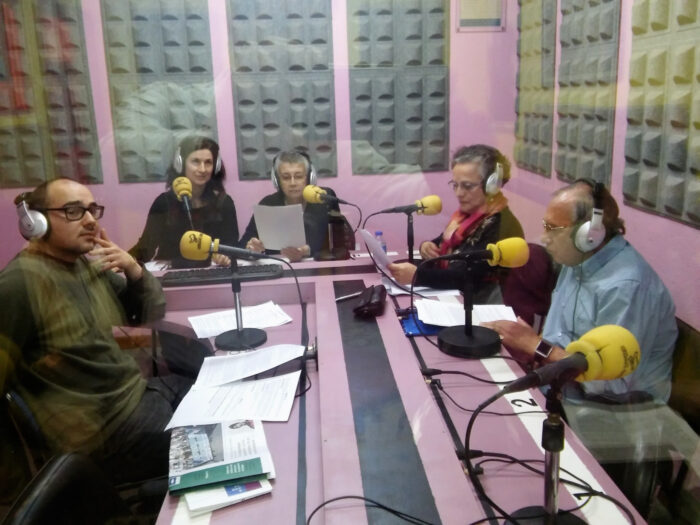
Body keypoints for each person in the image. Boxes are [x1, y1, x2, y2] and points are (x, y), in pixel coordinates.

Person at [0, 178, 193, 484]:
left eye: (92, 210)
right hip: (110, 434)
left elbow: (151, 312)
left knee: (215, 392)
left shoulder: (83, 266)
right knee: (217, 439)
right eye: (74, 211)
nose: (90, 220)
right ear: (35, 222)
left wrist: (133, 269)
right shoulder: (18, 285)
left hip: (140, 397)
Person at [483, 180, 677, 402]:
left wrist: (536, 346)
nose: (545, 237)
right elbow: (556, 338)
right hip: (558, 387)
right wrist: (527, 343)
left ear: (589, 235)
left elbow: (612, 384)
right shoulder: (576, 259)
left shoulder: (626, 287)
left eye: (553, 229)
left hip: (612, 409)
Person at [388, 144, 523, 303]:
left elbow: (468, 277)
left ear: (492, 186)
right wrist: (427, 246)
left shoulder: (500, 226)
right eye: (455, 185)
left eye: (467, 186)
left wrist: (418, 276)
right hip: (457, 298)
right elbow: (443, 241)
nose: (459, 193)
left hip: (479, 308)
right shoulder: (466, 217)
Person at [130, 135, 238, 268]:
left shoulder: (224, 203)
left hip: (212, 274)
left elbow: (232, 246)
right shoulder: (164, 203)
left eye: (208, 162)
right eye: (195, 161)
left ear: (216, 167)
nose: (202, 169)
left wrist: (224, 257)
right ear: (180, 164)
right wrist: (122, 261)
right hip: (170, 273)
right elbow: (145, 249)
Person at [238, 150, 341, 262]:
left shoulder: (323, 198)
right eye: (286, 177)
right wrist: (251, 249)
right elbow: (241, 247)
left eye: (299, 176)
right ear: (277, 180)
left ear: (310, 178)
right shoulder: (268, 204)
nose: (293, 183)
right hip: (279, 268)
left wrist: (307, 251)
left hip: (319, 268)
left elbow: (340, 245)